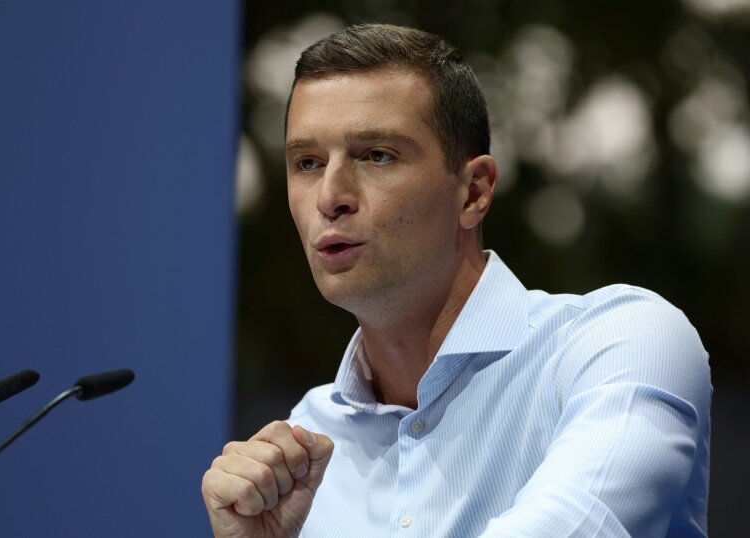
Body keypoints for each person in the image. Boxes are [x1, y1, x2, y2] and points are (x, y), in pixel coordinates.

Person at [201, 24, 711, 538]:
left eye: (377, 155)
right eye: (307, 163)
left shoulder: (619, 344)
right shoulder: (302, 444)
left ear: (474, 192)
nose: (330, 195)